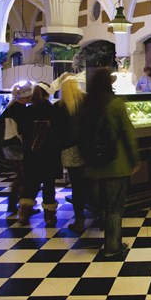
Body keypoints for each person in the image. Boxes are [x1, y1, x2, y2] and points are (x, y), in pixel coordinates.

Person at [81, 68, 138, 258]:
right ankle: (112, 247)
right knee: (115, 208)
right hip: (116, 164)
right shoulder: (116, 104)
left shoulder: (86, 103)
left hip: (92, 165)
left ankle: (104, 231)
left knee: (101, 205)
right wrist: (134, 159)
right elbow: (128, 134)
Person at [17, 82, 62, 226]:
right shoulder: (53, 110)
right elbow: (57, 134)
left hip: (31, 156)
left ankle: (24, 213)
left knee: (31, 184)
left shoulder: (27, 111)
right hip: (49, 155)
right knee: (49, 186)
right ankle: (49, 216)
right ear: (47, 94)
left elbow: (22, 133)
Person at [55, 75, 87, 233]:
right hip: (88, 149)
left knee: (77, 186)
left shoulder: (59, 107)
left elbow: (56, 133)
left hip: (68, 151)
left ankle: (79, 220)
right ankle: (102, 216)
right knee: (93, 182)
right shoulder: (86, 102)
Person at [0, 81, 33, 213]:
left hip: (7, 144)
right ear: (28, 96)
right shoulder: (21, 110)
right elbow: (22, 133)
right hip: (16, 146)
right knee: (23, 176)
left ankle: (16, 204)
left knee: (20, 176)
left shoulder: (11, 107)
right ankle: (19, 205)